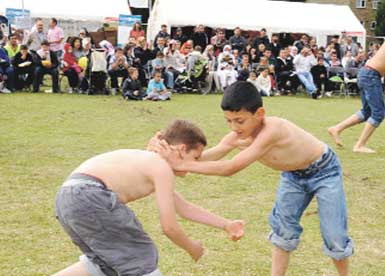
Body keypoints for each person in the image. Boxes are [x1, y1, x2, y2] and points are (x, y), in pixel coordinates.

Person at [148, 81, 353, 276]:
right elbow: (205, 157)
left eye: (239, 121)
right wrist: (170, 157)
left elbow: (231, 167)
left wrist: (182, 164)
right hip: (293, 176)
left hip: (324, 171)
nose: (233, 127)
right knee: (283, 230)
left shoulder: (273, 130)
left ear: (260, 114)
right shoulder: (237, 136)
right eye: (228, 121)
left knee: (334, 235)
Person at [53, 119, 245, 276]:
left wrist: (226, 224)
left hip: (67, 198)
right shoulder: (160, 167)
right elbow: (169, 227)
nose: (195, 165)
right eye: (195, 158)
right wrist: (191, 247)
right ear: (180, 149)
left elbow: (183, 207)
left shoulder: (150, 163)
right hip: (90, 195)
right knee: (141, 256)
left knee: (104, 264)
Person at [328, 42, 385, 153]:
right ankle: (359, 145)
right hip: (371, 75)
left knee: (367, 111)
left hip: (367, 73)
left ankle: (336, 128)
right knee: (379, 113)